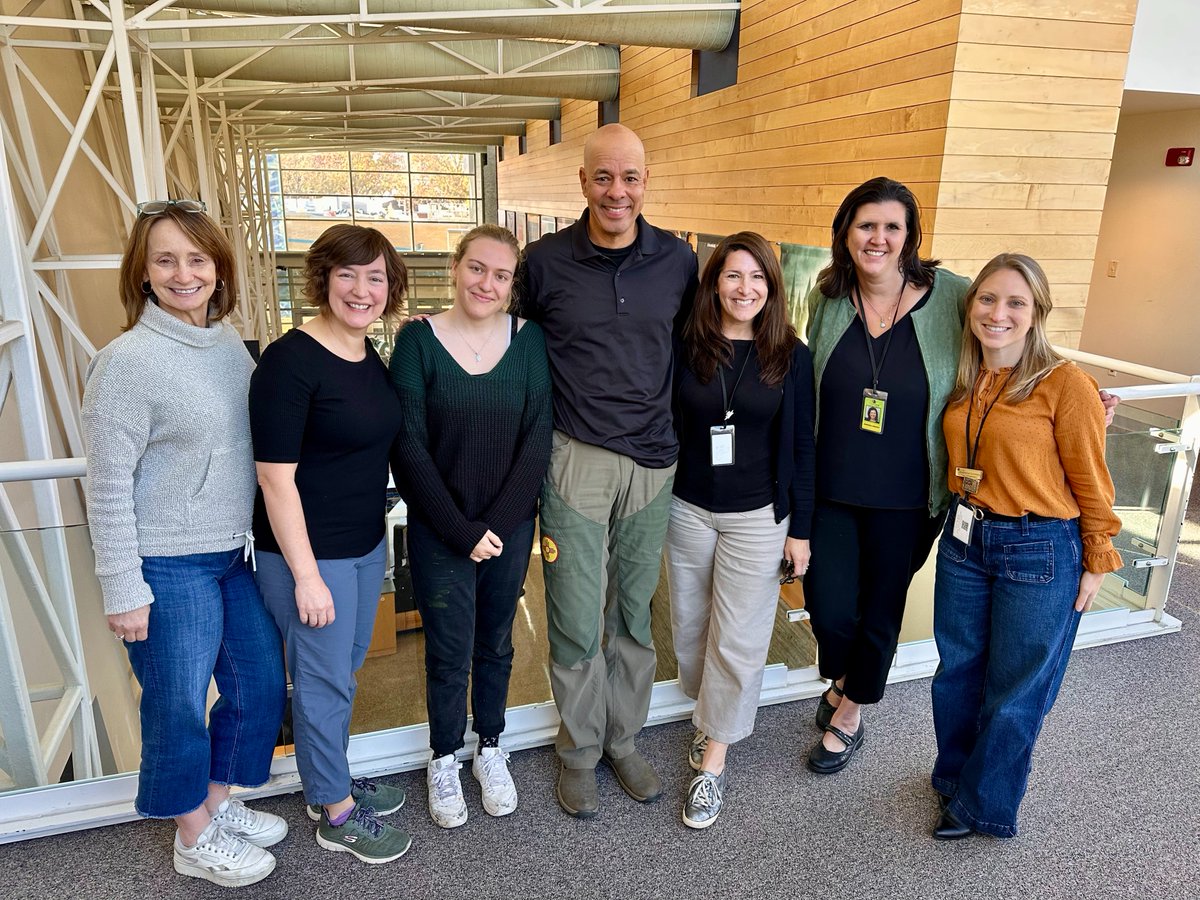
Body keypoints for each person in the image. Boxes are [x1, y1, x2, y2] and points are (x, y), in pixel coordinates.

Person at [82, 199, 287, 888]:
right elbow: (106, 486)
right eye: (165, 259)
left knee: (258, 687)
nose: (183, 273)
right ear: (142, 270)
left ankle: (214, 804)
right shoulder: (126, 362)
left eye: (197, 259)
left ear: (217, 268)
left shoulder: (229, 344)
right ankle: (192, 836)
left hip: (232, 556)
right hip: (165, 564)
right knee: (175, 703)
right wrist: (123, 589)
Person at [517, 123, 698, 818]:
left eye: (629, 178)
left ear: (645, 183)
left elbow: (692, 352)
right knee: (572, 614)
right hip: (577, 457)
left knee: (632, 612)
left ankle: (624, 740)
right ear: (583, 182)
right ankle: (578, 751)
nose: (616, 191)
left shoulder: (677, 261)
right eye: (603, 178)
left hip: (655, 460)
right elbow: (510, 346)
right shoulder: (545, 262)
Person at [929, 254, 1121, 840]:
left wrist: (1096, 557)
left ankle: (984, 805)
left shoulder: (1066, 384)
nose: (998, 313)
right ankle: (955, 778)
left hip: (1038, 549)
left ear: (1037, 313)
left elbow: (1090, 478)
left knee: (1016, 686)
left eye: (1016, 302)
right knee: (956, 673)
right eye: (988, 299)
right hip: (967, 539)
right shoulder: (968, 378)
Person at [250, 224, 410, 864]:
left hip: (364, 545)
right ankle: (335, 813)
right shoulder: (290, 361)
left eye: (376, 277)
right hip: (310, 558)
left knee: (338, 676)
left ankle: (330, 781)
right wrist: (307, 577)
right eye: (348, 274)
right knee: (320, 683)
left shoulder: (367, 352)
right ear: (322, 279)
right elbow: (273, 477)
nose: (362, 289)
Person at [802, 177, 969, 775]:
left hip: (908, 494)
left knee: (881, 606)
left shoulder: (952, 295)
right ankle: (847, 679)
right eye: (865, 225)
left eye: (891, 227)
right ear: (846, 233)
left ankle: (849, 712)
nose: (878, 238)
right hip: (831, 488)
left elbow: (1011, 342)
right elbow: (805, 380)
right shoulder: (826, 298)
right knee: (828, 606)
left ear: (909, 236)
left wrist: (1075, 391)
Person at [389, 224, 552, 828]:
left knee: (497, 644)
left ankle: (490, 746)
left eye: (502, 274)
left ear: (513, 284)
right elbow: (407, 446)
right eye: (477, 268)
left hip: (508, 528)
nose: (488, 283)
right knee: (448, 652)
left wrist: (503, 526)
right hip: (440, 530)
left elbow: (538, 437)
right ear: (455, 268)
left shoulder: (529, 341)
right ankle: (443, 757)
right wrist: (460, 530)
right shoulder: (417, 343)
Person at [664, 231, 815, 828]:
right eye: (732, 275)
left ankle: (714, 761)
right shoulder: (686, 345)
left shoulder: (790, 355)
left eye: (757, 278)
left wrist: (799, 530)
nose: (744, 288)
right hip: (687, 506)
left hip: (757, 516)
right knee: (692, 626)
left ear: (772, 288)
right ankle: (712, 712)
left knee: (740, 636)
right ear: (714, 282)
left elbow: (802, 444)